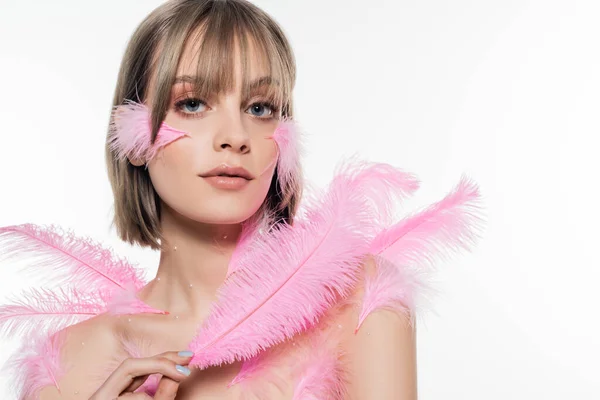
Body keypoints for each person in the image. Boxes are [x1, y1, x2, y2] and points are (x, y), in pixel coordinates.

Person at [0, 1, 485, 399]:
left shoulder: (356, 302)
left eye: (259, 108)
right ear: (132, 135)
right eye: (192, 103)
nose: (235, 136)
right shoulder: (66, 365)